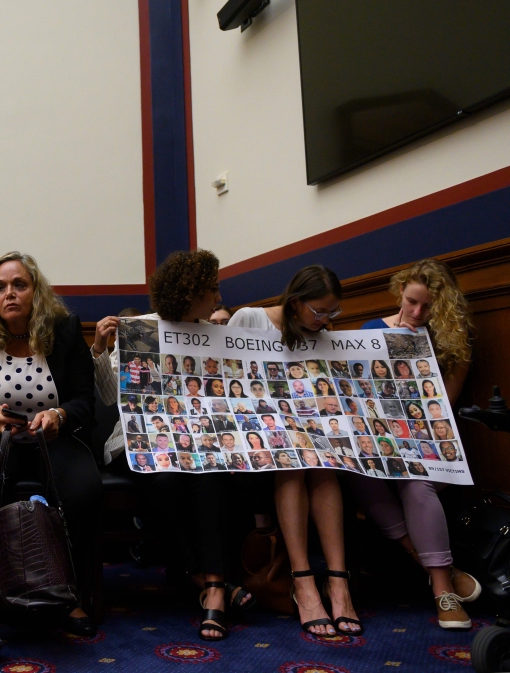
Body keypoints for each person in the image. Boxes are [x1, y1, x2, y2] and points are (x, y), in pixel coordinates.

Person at [91, 250, 251, 642]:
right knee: (164, 479)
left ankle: (212, 585)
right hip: (140, 442)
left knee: (207, 474)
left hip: (198, 444)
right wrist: (98, 349)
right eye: (210, 290)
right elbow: (111, 397)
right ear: (187, 293)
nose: (217, 297)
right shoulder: (142, 328)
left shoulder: (215, 334)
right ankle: (202, 576)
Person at [0, 251, 100, 664]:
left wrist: (59, 415)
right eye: (0, 287)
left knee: (84, 486)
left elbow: (85, 401)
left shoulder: (65, 329)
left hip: (51, 437)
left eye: (19, 284)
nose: (10, 293)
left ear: (36, 291)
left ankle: (69, 595)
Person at [228, 265, 361, 637]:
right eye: (319, 311)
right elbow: (225, 381)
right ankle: (303, 582)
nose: (325, 319)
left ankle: (338, 582)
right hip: (260, 434)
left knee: (323, 462)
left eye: (332, 312)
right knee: (295, 461)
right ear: (295, 302)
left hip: (311, 431)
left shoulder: (322, 335)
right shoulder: (250, 319)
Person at [349, 259, 478, 629]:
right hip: (379, 439)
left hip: (430, 439)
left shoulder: (453, 341)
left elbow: (444, 410)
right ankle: (438, 567)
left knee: (417, 481)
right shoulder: (371, 331)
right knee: (357, 472)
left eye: (428, 306)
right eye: (411, 302)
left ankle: (442, 590)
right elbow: (357, 398)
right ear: (400, 294)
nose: (417, 312)